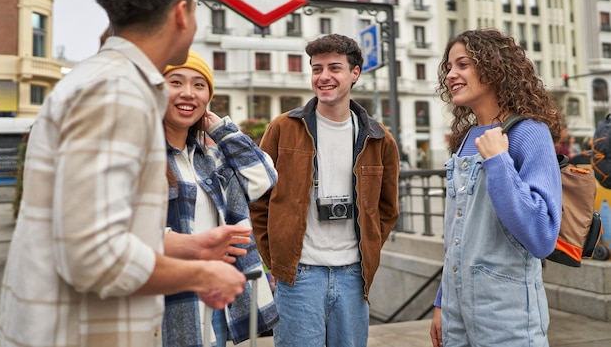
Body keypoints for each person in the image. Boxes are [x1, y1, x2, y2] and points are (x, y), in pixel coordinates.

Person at [0, 0, 246, 347]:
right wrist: (202, 275)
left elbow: (90, 224)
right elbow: (92, 257)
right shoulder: (118, 92)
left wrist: (190, 246)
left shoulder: (105, 81)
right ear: (182, 13)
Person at [250, 33, 400, 347]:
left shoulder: (378, 138)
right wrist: (274, 259)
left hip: (352, 277)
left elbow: (387, 209)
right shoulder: (282, 128)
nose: (324, 77)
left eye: (334, 68)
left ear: (354, 73)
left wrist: (367, 252)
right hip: (299, 275)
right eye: (317, 69)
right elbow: (257, 200)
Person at [430, 28, 563, 347]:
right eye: (449, 67)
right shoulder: (464, 142)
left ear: (493, 68)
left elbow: (542, 236)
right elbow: (457, 236)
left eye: (463, 64)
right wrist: (441, 301)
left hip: (508, 318)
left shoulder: (530, 133)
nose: (451, 75)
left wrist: (499, 161)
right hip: (455, 316)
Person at [162, 50, 279, 346]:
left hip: (218, 301)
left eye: (199, 86)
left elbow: (263, 178)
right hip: (172, 302)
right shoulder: (141, 156)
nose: (188, 93)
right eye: (176, 82)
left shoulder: (211, 158)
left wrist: (221, 129)